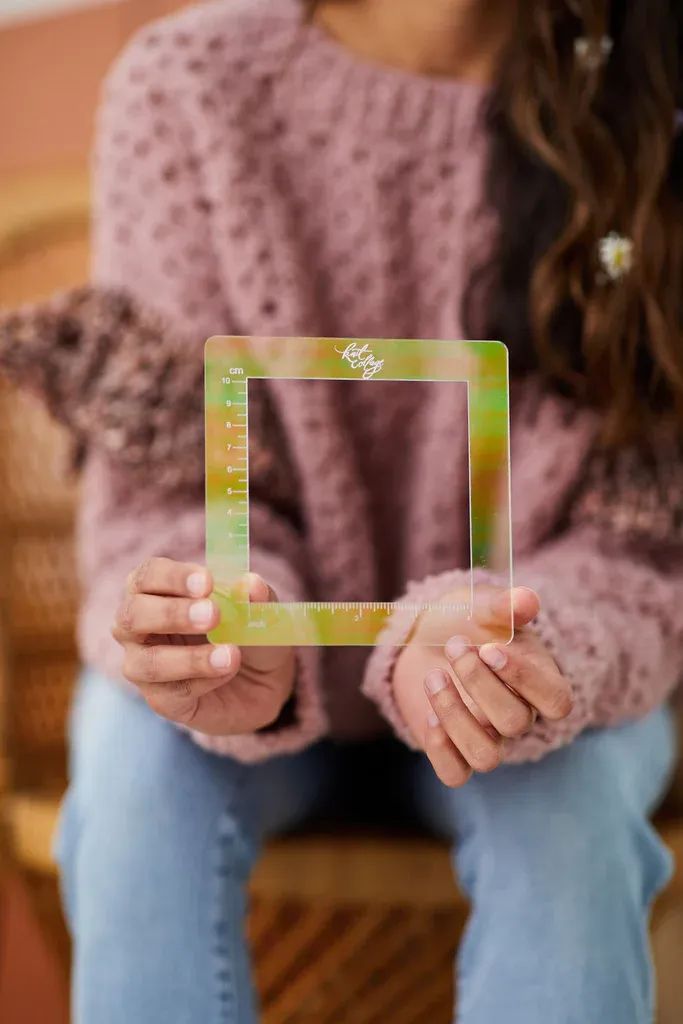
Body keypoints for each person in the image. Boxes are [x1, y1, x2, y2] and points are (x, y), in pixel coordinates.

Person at [1, 0, 682, 1021]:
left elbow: (641, 538)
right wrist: (224, 612)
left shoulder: (652, 96)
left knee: (567, 817)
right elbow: (170, 482)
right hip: (254, 694)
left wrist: (524, 645)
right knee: (136, 766)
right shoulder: (186, 88)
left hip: (549, 672)